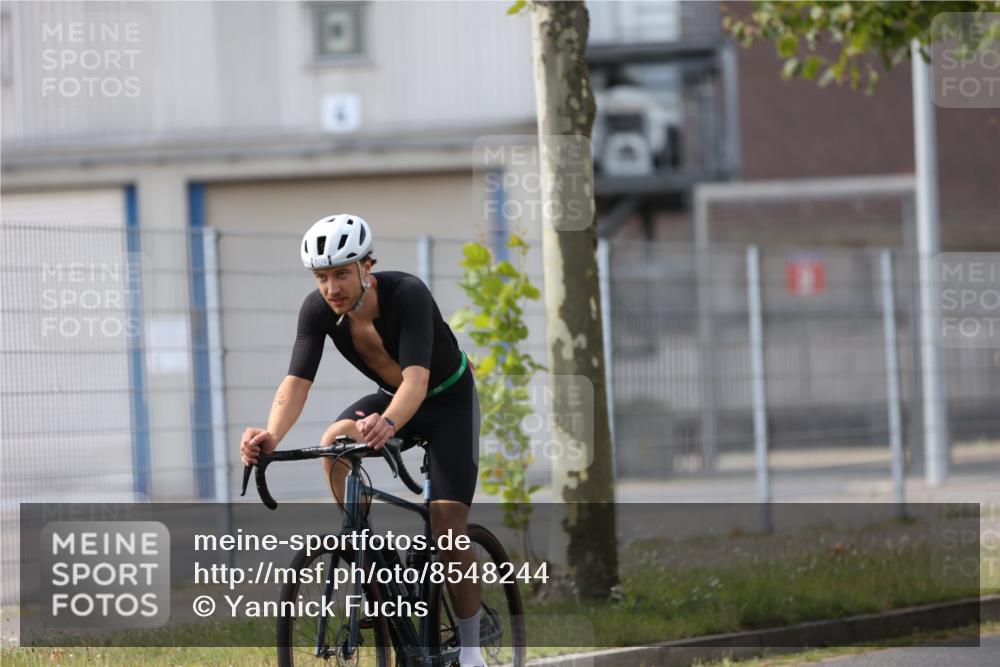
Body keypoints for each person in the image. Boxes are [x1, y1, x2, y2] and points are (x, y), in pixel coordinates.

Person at [239, 214, 486, 667]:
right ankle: (374, 558)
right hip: (396, 402)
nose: (331, 287)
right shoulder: (318, 311)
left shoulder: (407, 293)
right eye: (322, 277)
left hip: (448, 403)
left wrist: (388, 424)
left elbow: (416, 379)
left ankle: (472, 650)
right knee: (335, 441)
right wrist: (271, 434)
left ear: (366, 267)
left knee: (448, 527)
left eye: (340, 274)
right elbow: (296, 383)